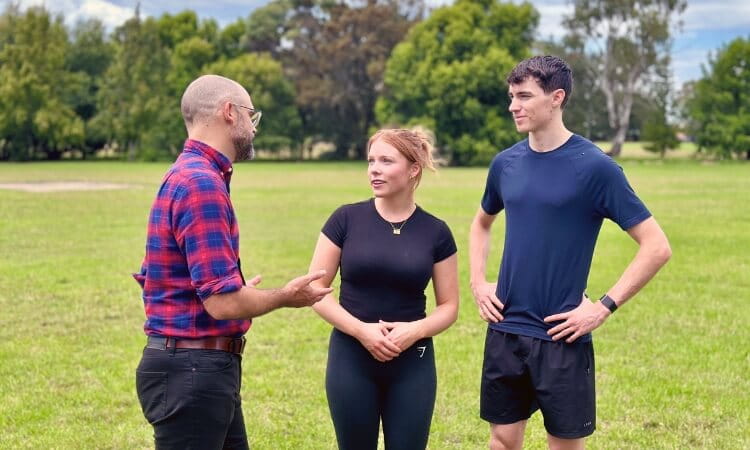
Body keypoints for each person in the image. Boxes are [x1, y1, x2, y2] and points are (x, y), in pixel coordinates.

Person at [469, 56, 672, 450]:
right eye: (512, 96)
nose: (514, 106)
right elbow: (481, 222)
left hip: (562, 333)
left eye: (524, 96)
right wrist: (479, 282)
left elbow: (657, 246)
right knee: (502, 442)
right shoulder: (505, 164)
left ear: (556, 98)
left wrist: (602, 307)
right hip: (506, 330)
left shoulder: (596, 168)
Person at [133, 74, 333, 450]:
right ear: (229, 112)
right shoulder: (200, 183)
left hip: (198, 368)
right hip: (193, 372)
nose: (253, 128)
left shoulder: (188, 174)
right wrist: (285, 296)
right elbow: (222, 302)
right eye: (250, 115)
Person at [307, 128, 459, 450]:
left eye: (386, 161)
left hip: (413, 360)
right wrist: (362, 331)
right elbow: (316, 291)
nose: (374, 169)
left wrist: (414, 332)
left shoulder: (437, 232)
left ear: (413, 169)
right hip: (351, 356)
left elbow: (449, 307)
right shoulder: (345, 219)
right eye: (371, 160)